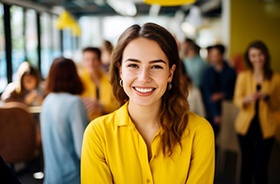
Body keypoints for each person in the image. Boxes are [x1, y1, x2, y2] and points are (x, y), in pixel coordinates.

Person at [81, 22, 215, 184]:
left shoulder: (199, 132)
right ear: (120, 70)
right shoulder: (98, 134)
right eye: (133, 65)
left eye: (156, 66)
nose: (144, 78)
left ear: (170, 74)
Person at [233, 40, 280, 184]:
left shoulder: (276, 78)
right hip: (245, 126)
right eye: (253, 56)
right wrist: (246, 99)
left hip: (267, 128)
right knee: (246, 165)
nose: (257, 59)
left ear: (265, 56)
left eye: (260, 55)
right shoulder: (243, 76)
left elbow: (276, 105)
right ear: (249, 58)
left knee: (261, 168)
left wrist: (267, 98)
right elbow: (237, 99)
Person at [40, 57, 88, 184]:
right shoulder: (75, 103)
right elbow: (83, 150)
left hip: (51, 177)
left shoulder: (47, 101)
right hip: (72, 177)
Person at [201, 44, 236, 135]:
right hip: (211, 110)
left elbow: (234, 90)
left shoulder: (231, 72)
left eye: (215, 55)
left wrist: (222, 95)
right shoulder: (207, 72)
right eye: (211, 55)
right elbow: (207, 94)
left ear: (221, 55)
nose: (213, 58)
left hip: (228, 108)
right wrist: (215, 114)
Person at [79, 47, 119, 121]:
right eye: (87, 60)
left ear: (100, 61)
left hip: (106, 123)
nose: (91, 63)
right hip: (84, 123)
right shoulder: (77, 81)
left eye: (94, 59)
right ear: (83, 62)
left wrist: (102, 107)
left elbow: (119, 105)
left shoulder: (110, 81)